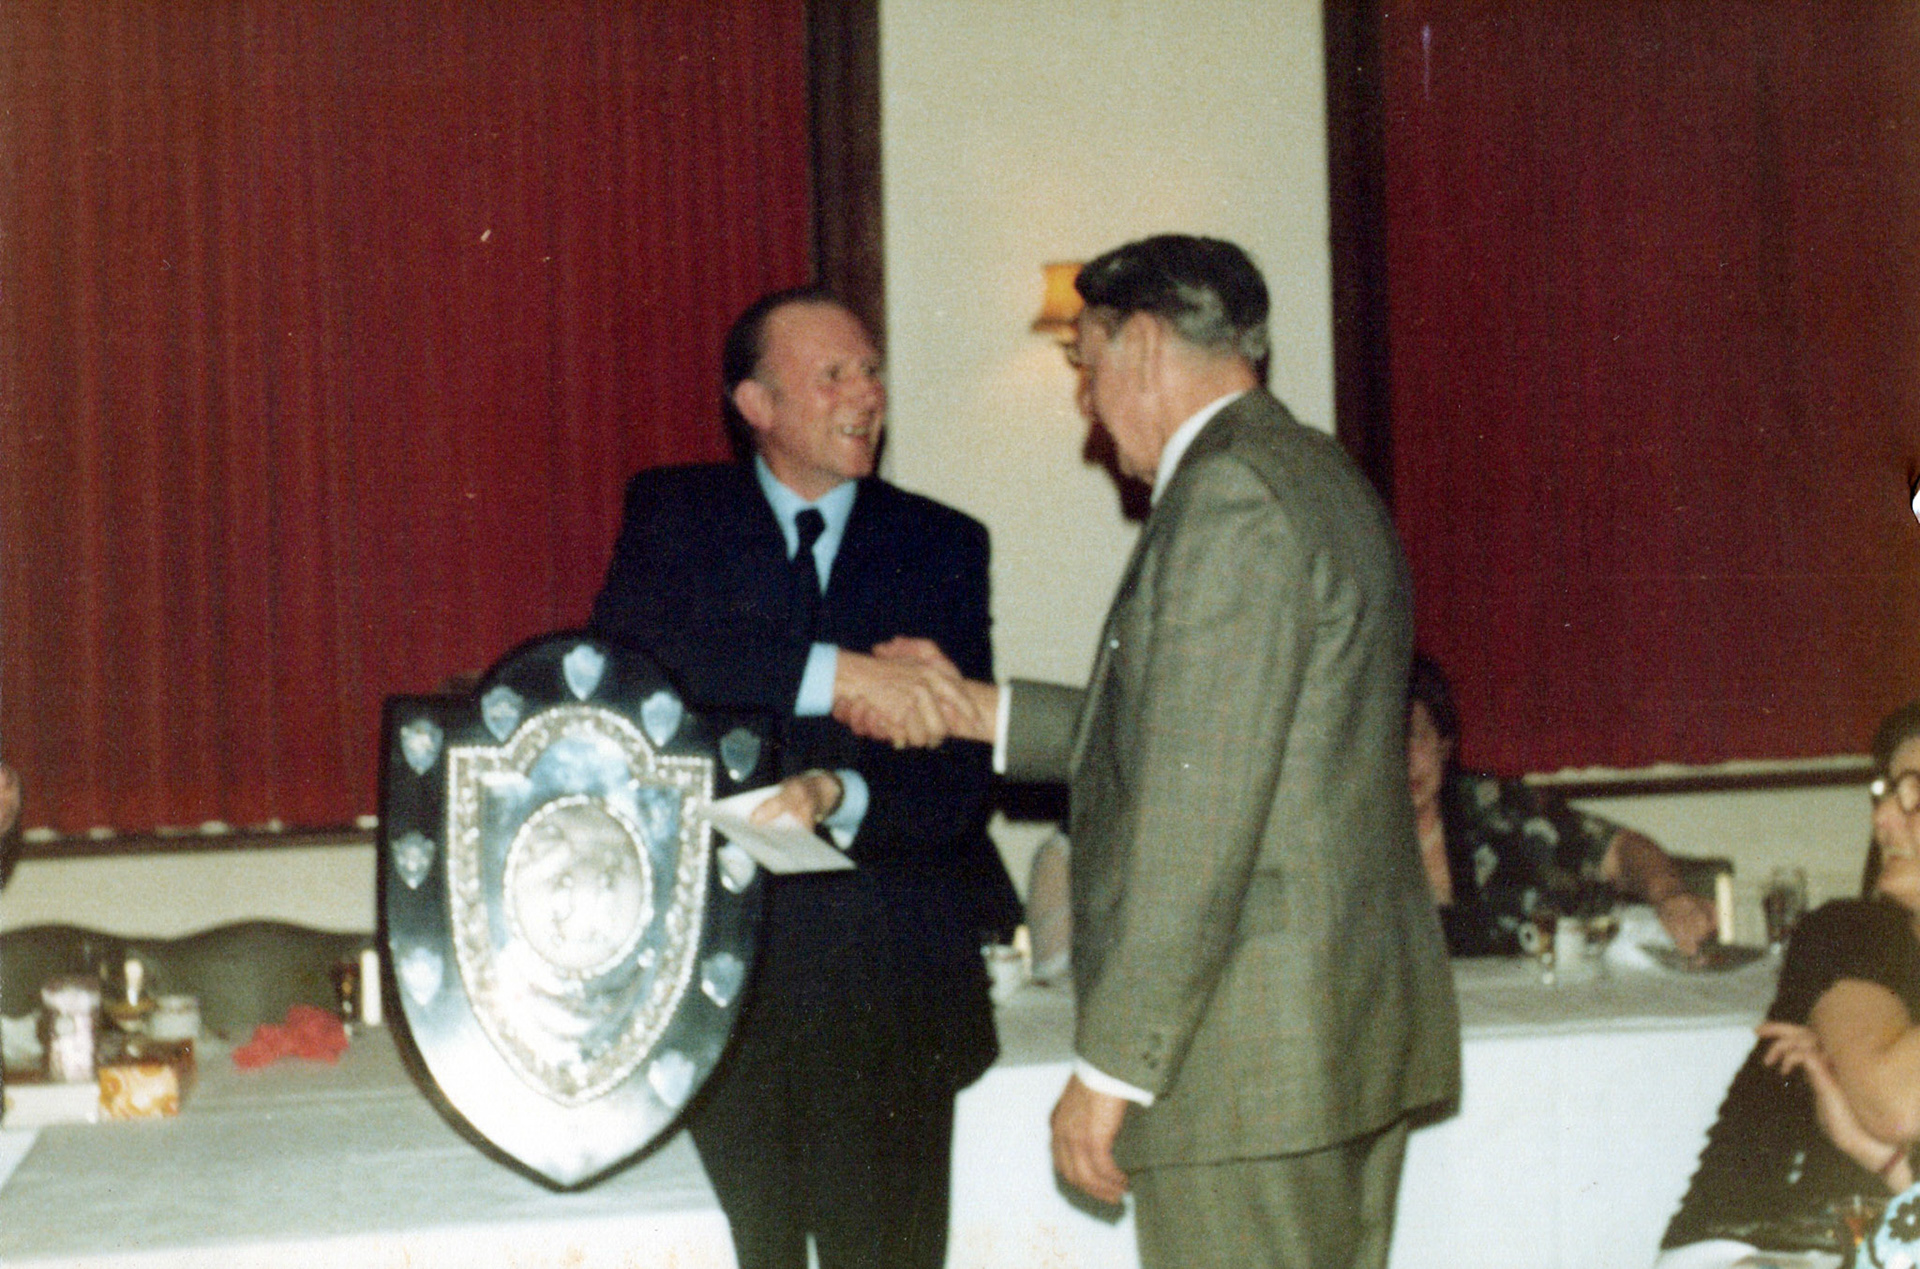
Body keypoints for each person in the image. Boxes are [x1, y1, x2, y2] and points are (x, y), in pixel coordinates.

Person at [847, 235, 1460, 1269]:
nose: (1086, 403)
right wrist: (975, 710)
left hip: (1243, 1063)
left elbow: (1197, 813)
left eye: (1084, 366)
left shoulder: (1227, 499)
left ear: (1137, 341)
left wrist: (1115, 1068)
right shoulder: (1313, 474)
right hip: (1329, 1041)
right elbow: (1211, 733)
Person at [589, 286, 1020, 1269]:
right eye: (833, 375)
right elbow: (637, 657)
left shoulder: (943, 543)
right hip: (726, 998)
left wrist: (841, 794)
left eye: (871, 370)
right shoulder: (676, 513)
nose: (865, 394)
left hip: (889, 999)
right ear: (758, 407)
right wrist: (841, 674)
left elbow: (956, 780)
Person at [1656, 701, 1920, 1266]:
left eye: (1913, 796)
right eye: (1885, 794)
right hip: (1765, 1239)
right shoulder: (1853, 932)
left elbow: (1889, 1143)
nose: (1882, 820)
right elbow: (1897, 1105)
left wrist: (1882, 1161)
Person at [1406, 653, 1720, 957]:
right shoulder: (1357, 843)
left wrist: (1670, 895)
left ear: (1443, 745)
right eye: (1386, 742)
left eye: (1415, 736)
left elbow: (1621, 849)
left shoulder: (1499, 808)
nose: (1404, 759)